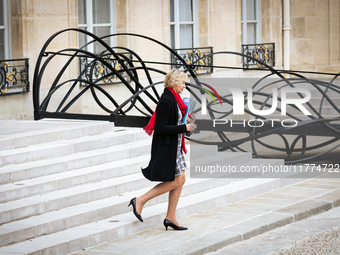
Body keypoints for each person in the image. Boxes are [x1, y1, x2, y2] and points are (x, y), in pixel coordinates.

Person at [128, 69, 196, 231]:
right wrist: (183, 126)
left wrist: (188, 123)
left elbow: (176, 123)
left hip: (176, 146)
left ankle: (170, 217)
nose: (184, 86)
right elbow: (161, 127)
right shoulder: (167, 99)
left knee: (181, 180)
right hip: (168, 147)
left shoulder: (176, 98)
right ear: (174, 83)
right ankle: (140, 200)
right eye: (182, 83)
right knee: (176, 180)